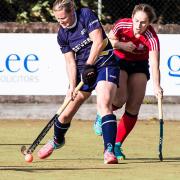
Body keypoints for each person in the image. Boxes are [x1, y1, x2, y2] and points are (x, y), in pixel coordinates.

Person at [37, 0, 120, 164]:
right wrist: (72, 86)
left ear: (72, 11)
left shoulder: (85, 15)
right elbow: (70, 62)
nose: (62, 22)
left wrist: (90, 65)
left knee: (104, 104)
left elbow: (98, 41)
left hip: (104, 62)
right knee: (65, 114)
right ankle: (57, 140)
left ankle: (109, 151)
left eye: (64, 18)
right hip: (83, 69)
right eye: (58, 19)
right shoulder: (62, 34)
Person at [93, 3, 163, 160]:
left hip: (139, 65)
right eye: (136, 20)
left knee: (134, 105)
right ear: (132, 17)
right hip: (119, 61)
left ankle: (116, 144)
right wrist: (122, 45)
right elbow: (107, 41)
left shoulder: (152, 38)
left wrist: (157, 86)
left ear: (149, 23)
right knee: (120, 98)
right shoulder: (122, 25)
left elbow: (154, 63)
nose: (139, 25)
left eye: (144, 22)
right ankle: (102, 111)